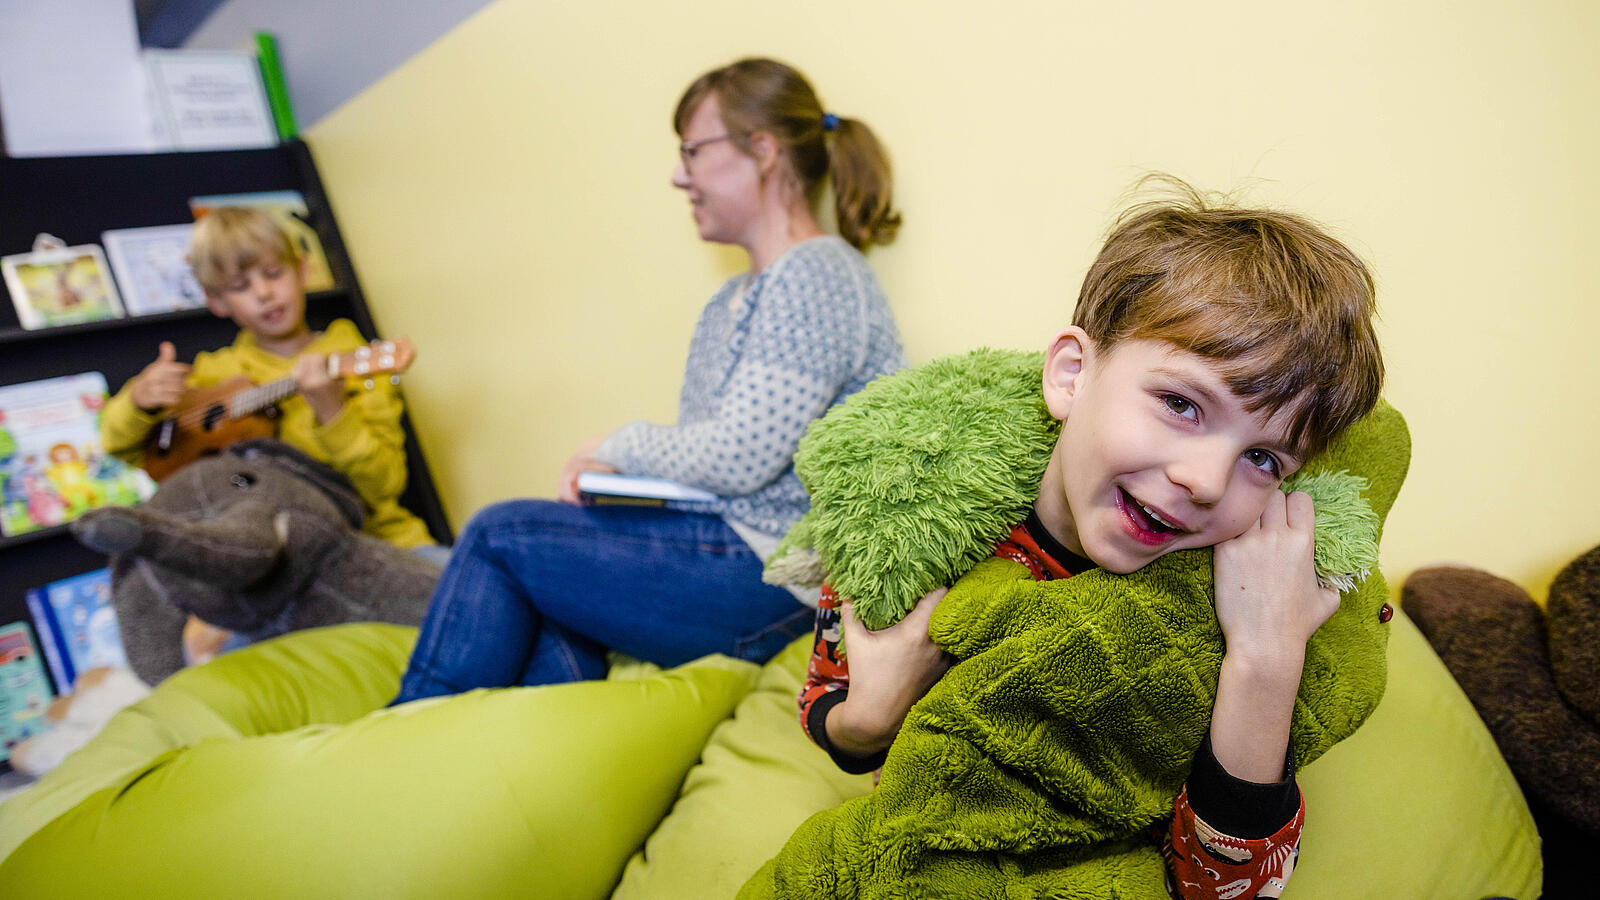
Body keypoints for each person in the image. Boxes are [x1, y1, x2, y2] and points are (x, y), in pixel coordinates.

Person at [796, 184, 1383, 899]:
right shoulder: (918, 518)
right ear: (1072, 375)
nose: (1203, 481)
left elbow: (1227, 893)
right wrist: (867, 718)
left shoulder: (1230, 605)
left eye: (1263, 459)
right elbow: (827, 704)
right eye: (1182, 404)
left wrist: (1264, 660)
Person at [390, 57, 906, 704]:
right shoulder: (731, 301)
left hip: (777, 577)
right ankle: (517, 749)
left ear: (764, 150)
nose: (677, 174)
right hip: (727, 550)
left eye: (692, 150)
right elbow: (710, 462)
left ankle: (403, 727)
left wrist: (615, 447)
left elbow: (738, 457)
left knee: (498, 535)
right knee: (554, 589)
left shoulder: (818, 274)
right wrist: (618, 489)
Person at [101, 206, 438, 659]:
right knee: (238, 484)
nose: (263, 293)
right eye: (241, 286)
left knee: (468, 592)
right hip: (269, 573)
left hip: (376, 544)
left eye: (273, 274)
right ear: (218, 303)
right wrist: (137, 402)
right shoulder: (216, 374)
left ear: (301, 272)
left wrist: (333, 412)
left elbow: (383, 485)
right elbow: (119, 445)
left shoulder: (351, 358)